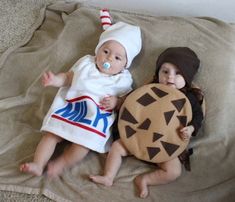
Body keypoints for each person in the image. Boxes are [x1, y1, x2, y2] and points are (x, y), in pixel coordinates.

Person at [19, 21, 142, 178]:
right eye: (105, 51)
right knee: (50, 136)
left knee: (83, 145)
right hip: (72, 107)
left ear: (125, 64)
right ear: (98, 50)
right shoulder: (86, 63)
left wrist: (116, 102)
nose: (109, 58)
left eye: (117, 57)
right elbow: (69, 78)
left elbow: (126, 102)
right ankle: (38, 163)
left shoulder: (123, 79)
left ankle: (61, 164)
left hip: (94, 115)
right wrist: (55, 80)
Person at [89, 47, 204, 198]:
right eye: (165, 71)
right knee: (117, 147)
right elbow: (131, 103)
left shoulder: (189, 99)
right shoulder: (149, 90)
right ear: (157, 73)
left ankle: (145, 180)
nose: (170, 77)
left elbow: (198, 116)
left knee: (174, 171)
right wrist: (117, 102)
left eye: (178, 73)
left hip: (165, 145)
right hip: (137, 137)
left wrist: (191, 128)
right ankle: (108, 177)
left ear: (187, 78)